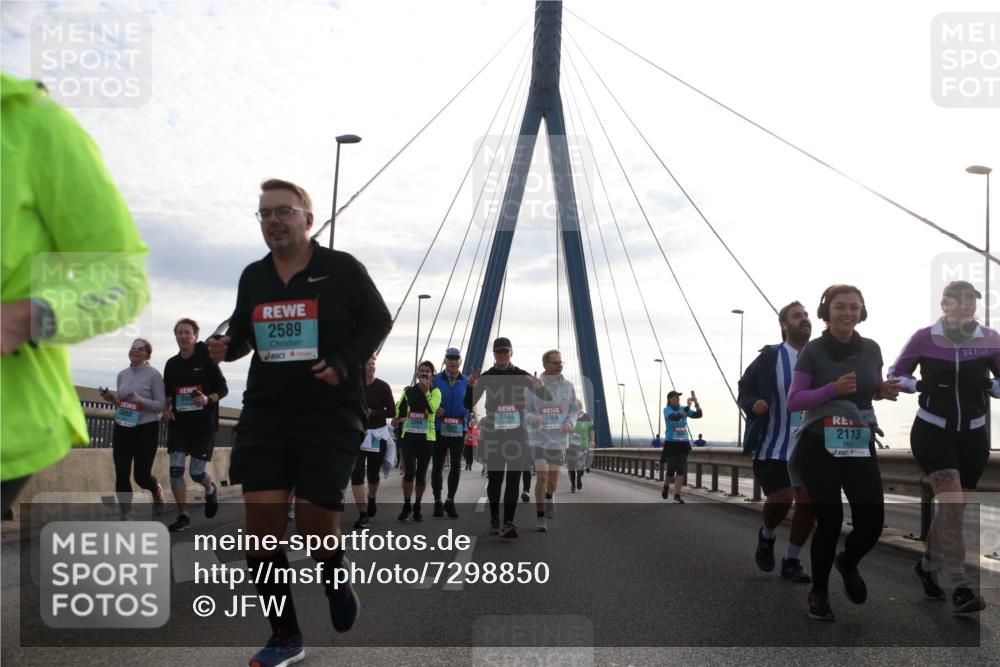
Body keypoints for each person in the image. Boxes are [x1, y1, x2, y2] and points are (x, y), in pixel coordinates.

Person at [207, 179, 392, 664]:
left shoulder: (342, 269)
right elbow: (244, 333)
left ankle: (334, 576)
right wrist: (228, 347)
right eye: (264, 213)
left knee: (314, 529)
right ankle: (285, 636)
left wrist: (344, 361)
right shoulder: (254, 277)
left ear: (307, 219)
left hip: (329, 416)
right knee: (261, 530)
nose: (273, 220)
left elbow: (379, 320)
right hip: (266, 413)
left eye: (283, 211)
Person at [1, 73, 149, 515]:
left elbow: (122, 279)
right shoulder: (123, 374)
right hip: (120, 423)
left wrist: (22, 319)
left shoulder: (35, 125)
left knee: (143, 475)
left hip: (10, 422)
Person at [786, 284, 900, 621]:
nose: (847, 313)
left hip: (857, 440)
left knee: (872, 522)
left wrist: (883, 390)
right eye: (840, 306)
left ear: (862, 312)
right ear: (827, 311)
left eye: (854, 306)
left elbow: (870, 388)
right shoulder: (813, 351)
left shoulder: (872, 349)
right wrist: (832, 389)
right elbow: (795, 400)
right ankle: (819, 592)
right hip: (819, 443)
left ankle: (848, 562)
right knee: (830, 520)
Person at [889, 280, 998, 614]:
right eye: (960, 300)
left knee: (954, 509)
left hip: (974, 435)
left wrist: (991, 385)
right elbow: (896, 374)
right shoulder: (925, 337)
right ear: (945, 304)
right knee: (951, 504)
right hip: (933, 430)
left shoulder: (990, 338)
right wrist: (919, 384)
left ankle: (927, 566)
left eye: (972, 300)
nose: (968, 305)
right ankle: (960, 586)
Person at [738, 300, 815, 584]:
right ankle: (767, 536)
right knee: (782, 499)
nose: (804, 319)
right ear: (784, 325)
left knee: (809, 505)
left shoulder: (820, 355)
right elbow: (744, 387)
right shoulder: (771, 356)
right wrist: (753, 402)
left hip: (810, 447)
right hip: (773, 445)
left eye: (806, 315)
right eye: (797, 316)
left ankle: (792, 560)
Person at [465, 337, 550, 538]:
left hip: (517, 435)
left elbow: (546, 398)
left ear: (511, 353)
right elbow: (468, 403)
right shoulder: (487, 376)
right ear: (494, 355)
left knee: (513, 479)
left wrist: (540, 387)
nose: (502, 355)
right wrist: (470, 386)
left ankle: (509, 522)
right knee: (495, 478)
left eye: (505, 352)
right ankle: (495, 518)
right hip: (494, 435)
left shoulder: (521, 375)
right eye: (498, 352)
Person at [162, 319, 228, 532]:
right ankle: (183, 515)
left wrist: (207, 399)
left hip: (203, 426)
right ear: (175, 336)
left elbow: (223, 389)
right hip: (179, 425)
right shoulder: (172, 364)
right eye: (179, 333)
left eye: (187, 333)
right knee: (175, 470)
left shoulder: (207, 360)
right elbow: (168, 393)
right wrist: (165, 410)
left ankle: (210, 488)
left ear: (195, 336)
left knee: (196, 473)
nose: (183, 336)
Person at [99, 339, 166, 519]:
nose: (135, 351)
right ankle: (126, 513)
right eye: (133, 348)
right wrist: (112, 399)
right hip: (123, 427)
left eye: (140, 349)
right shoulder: (122, 374)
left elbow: (160, 405)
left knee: (141, 477)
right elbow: (123, 404)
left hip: (146, 429)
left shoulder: (154, 375)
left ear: (148, 355)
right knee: (121, 473)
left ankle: (156, 489)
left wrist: (139, 400)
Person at [525, 349, 579, 532]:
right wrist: (532, 418)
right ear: (545, 365)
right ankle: (540, 517)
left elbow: (574, 410)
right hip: (538, 439)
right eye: (555, 362)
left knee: (553, 482)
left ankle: (549, 495)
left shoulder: (568, 387)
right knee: (542, 476)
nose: (560, 365)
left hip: (558, 440)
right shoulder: (533, 386)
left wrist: (570, 423)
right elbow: (524, 410)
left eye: (561, 362)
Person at [394, 361, 441, 522]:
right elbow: (399, 408)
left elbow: (432, 409)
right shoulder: (408, 391)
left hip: (427, 438)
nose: (424, 373)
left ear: (432, 376)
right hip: (409, 436)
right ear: (417, 374)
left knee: (421, 475)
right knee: (409, 473)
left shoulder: (435, 392)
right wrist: (396, 418)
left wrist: (426, 392)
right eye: (422, 371)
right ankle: (407, 504)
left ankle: (418, 505)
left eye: (428, 371)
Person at [353, 355, 396, 530]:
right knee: (356, 475)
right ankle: (363, 514)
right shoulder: (354, 386)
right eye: (368, 364)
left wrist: (373, 412)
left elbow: (392, 411)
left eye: (373, 364)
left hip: (376, 436)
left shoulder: (383, 386)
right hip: (357, 435)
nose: (371, 367)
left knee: (372, 474)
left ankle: (371, 497)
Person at [431, 347, 470, 518]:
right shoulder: (435, 379)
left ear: (460, 362)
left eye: (456, 359)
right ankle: (437, 501)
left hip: (459, 428)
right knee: (437, 466)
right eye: (450, 359)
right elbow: (426, 400)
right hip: (439, 428)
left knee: (456, 466)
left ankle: (450, 500)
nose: (453, 362)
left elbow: (473, 402)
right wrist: (433, 410)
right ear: (445, 361)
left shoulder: (467, 381)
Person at [660, 390, 702, 503]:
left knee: (680, 469)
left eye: (678, 397)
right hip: (671, 443)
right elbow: (676, 417)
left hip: (683, 443)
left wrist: (696, 403)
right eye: (675, 397)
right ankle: (666, 486)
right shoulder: (667, 410)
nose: (678, 399)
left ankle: (677, 495)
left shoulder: (683, 408)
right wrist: (687, 407)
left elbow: (699, 415)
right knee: (671, 468)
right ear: (670, 399)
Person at [568, 403, 595, 493]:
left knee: (580, 465)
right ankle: (573, 484)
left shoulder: (587, 417)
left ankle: (579, 477)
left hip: (583, 445)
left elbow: (591, 429)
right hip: (571, 445)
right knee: (571, 465)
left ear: (580, 407)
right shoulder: (569, 417)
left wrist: (592, 440)